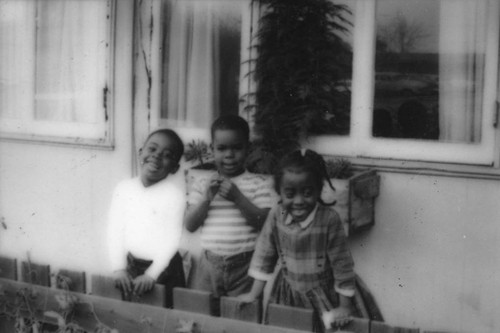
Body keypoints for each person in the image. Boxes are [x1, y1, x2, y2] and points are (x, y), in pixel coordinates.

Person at [239, 149, 356, 332]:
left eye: (308, 193)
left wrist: (345, 307)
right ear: (279, 192)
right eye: (290, 194)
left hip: (323, 297)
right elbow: (264, 256)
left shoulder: (329, 220)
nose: (299, 201)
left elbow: (343, 265)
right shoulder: (277, 215)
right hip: (287, 295)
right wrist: (254, 294)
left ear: (319, 190)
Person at [184, 114, 276, 298]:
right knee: (203, 316)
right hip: (208, 265)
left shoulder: (258, 184)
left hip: (245, 265)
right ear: (212, 149)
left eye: (236, 148)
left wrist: (238, 198)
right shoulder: (203, 184)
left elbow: (264, 225)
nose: (229, 155)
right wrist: (206, 199)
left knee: (241, 318)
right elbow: (190, 225)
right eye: (222, 148)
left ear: (248, 148)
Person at [107, 128, 186, 307]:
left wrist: (152, 274)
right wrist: (119, 268)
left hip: (164, 268)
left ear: (174, 168)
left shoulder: (174, 196)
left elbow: (172, 241)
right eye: (152, 149)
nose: (157, 156)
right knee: (131, 315)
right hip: (131, 265)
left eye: (167, 155)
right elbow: (114, 230)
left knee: (165, 319)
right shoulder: (124, 189)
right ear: (141, 152)